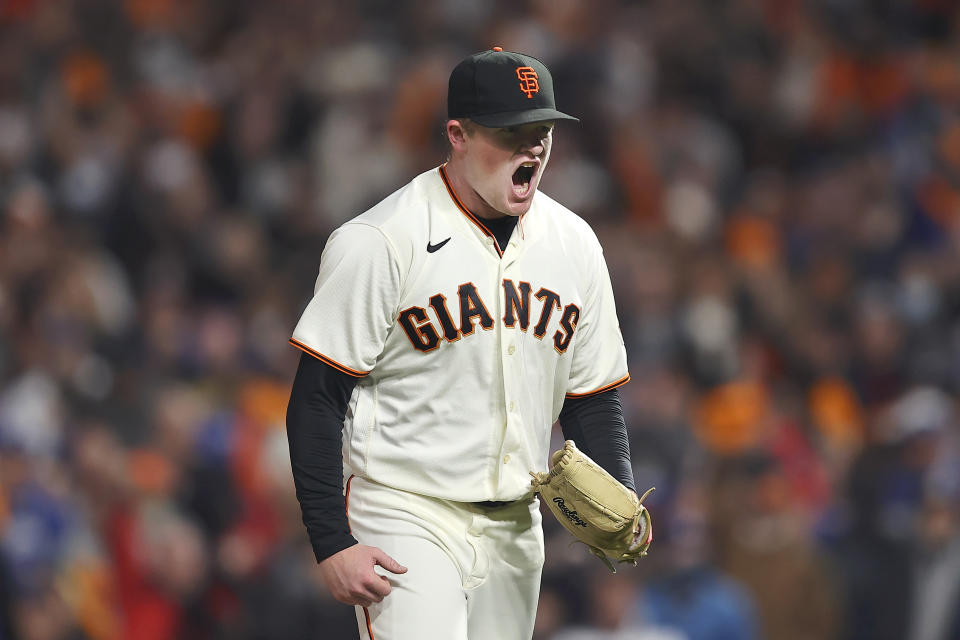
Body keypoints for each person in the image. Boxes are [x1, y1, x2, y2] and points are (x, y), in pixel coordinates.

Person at [285, 47, 638, 640]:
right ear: (458, 134)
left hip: (515, 525)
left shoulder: (574, 243)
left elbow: (591, 397)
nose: (534, 148)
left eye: (543, 131)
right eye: (513, 132)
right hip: (406, 510)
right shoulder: (381, 240)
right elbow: (317, 397)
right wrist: (330, 542)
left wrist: (619, 495)